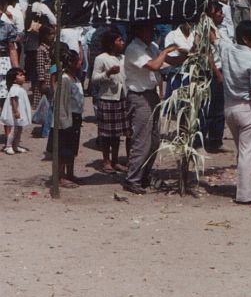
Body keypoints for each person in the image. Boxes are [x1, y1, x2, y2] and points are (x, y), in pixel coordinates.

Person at [122, 22, 179, 195]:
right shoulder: (134, 49)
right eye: (149, 29)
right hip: (139, 96)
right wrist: (164, 52)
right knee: (142, 140)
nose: (152, 32)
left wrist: (186, 53)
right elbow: (154, 65)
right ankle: (133, 179)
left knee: (154, 141)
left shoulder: (151, 46)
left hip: (151, 94)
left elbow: (168, 62)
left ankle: (144, 175)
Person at [221, 20, 251, 204]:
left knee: (242, 151)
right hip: (245, 109)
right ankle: (246, 194)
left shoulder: (227, 50)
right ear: (246, 39)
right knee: (248, 153)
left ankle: (247, 188)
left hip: (229, 108)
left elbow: (214, 38)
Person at [91, 29, 130, 173]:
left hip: (122, 98)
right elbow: (94, 79)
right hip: (107, 99)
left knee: (117, 133)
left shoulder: (123, 58)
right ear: (111, 44)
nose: (122, 43)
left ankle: (115, 160)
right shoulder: (101, 58)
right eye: (119, 40)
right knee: (107, 134)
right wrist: (108, 73)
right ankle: (106, 161)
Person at [47, 50, 85, 187]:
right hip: (66, 119)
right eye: (77, 61)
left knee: (71, 149)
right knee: (63, 149)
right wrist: (64, 122)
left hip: (75, 117)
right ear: (71, 62)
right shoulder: (64, 79)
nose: (80, 63)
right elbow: (61, 103)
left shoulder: (75, 78)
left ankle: (70, 174)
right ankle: (60, 177)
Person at [201, 1, 227, 152]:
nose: (222, 15)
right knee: (209, 108)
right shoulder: (205, 29)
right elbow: (207, 54)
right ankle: (204, 140)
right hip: (211, 73)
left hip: (220, 70)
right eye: (219, 13)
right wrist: (217, 73)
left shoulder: (218, 29)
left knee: (219, 108)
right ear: (211, 12)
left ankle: (216, 140)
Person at [1, 67, 30, 154]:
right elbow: (13, 100)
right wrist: (16, 111)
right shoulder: (14, 88)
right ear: (14, 79)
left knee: (19, 129)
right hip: (15, 113)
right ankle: (8, 146)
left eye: (23, 75)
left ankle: (16, 145)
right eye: (20, 75)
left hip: (20, 113)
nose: (23, 76)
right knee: (13, 130)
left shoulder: (20, 88)